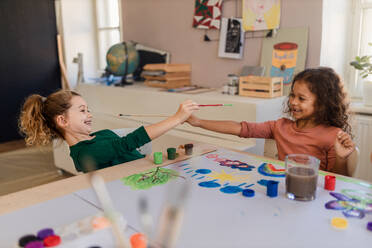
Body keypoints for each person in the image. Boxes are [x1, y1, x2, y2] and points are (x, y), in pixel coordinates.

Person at [187, 67, 356, 176]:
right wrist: (199, 122)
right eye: (292, 95)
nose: (293, 102)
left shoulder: (333, 136)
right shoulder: (280, 126)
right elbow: (241, 128)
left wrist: (341, 159)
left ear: (322, 104)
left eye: (301, 98)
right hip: (284, 190)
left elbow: (339, 180)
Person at [19, 90, 199, 172]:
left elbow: (135, 156)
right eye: (82, 110)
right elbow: (131, 141)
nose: (89, 114)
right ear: (62, 120)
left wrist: (174, 154)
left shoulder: (103, 134)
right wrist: (177, 118)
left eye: (88, 109)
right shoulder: (85, 154)